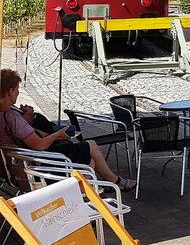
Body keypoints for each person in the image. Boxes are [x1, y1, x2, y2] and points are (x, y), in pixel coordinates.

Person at [0, 68, 134, 190]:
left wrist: (27, 119)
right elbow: (39, 145)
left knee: (90, 162)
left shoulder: (6, 114)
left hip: (17, 169)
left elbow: (17, 134)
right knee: (90, 149)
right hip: (35, 168)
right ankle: (111, 184)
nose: (18, 92)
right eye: (17, 89)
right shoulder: (11, 116)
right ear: (10, 91)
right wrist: (58, 134)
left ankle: (98, 193)